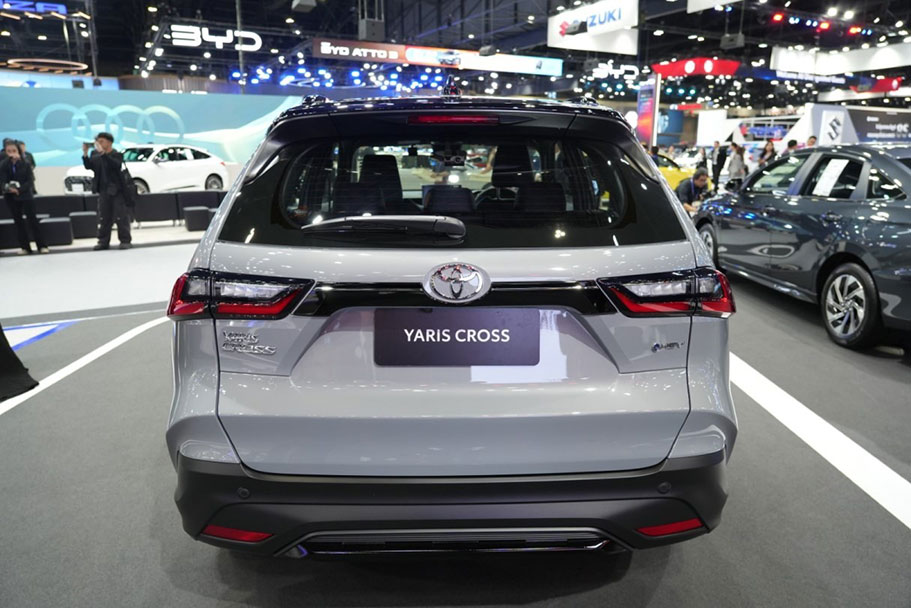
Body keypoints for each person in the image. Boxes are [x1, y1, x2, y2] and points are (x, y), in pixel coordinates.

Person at [82, 132, 132, 250]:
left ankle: (125, 240)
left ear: (109, 142)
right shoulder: (95, 154)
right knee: (104, 217)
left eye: (101, 141)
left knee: (121, 216)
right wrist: (85, 153)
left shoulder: (116, 154)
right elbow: (89, 166)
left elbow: (115, 165)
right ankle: (103, 241)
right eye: (98, 142)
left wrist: (103, 154)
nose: (99, 144)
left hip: (117, 190)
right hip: (103, 190)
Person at [0, 140, 47, 255]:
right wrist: (8, 188)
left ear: (19, 151)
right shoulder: (4, 164)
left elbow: (30, 181)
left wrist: (19, 189)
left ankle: (41, 246)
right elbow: (2, 180)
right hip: (11, 196)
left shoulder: (25, 163)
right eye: (9, 151)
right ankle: (25, 247)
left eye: (14, 150)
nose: (11, 153)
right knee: (18, 222)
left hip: (25, 195)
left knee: (32, 220)